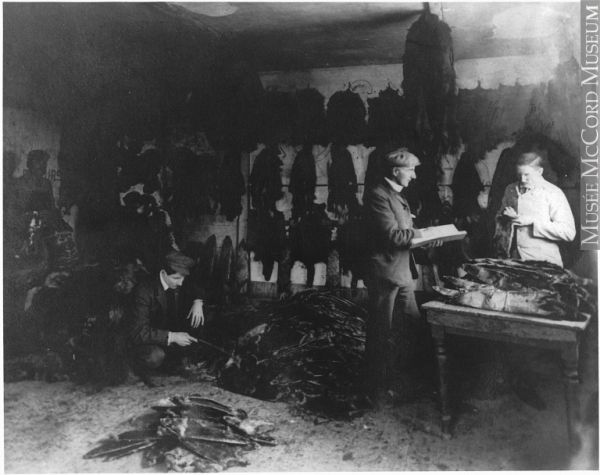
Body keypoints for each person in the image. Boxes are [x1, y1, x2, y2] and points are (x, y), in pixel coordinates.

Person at [363, 148, 440, 403]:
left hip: (403, 272)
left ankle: (405, 380)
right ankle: (373, 389)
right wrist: (423, 235)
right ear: (396, 171)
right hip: (385, 274)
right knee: (380, 331)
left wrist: (428, 238)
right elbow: (394, 236)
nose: (414, 176)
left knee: (413, 324)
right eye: (411, 170)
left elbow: (405, 231)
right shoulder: (378, 195)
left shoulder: (396, 196)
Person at [127, 250, 207, 381]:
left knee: (200, 317)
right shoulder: (143, 291)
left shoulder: (178, 280)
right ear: (163, 273)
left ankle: (173, 361)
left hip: (166, 334)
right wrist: (173, 337)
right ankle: (136, 368)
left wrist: (198, 301)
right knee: (155, 356)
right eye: (176, 278)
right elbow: (138, 332)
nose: (180, 283)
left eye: (183, 278)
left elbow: (195, 285)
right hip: (144, 340)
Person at [493, 152, 575, 267]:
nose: (522, 179)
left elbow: (568, 232)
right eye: (519, 175)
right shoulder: (510, 189)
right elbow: (499, 219)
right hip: (513, 259)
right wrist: (504, 217)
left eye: (527, 175)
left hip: (543, 261)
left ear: (539, 172)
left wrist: (532, 222)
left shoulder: (553, 192)